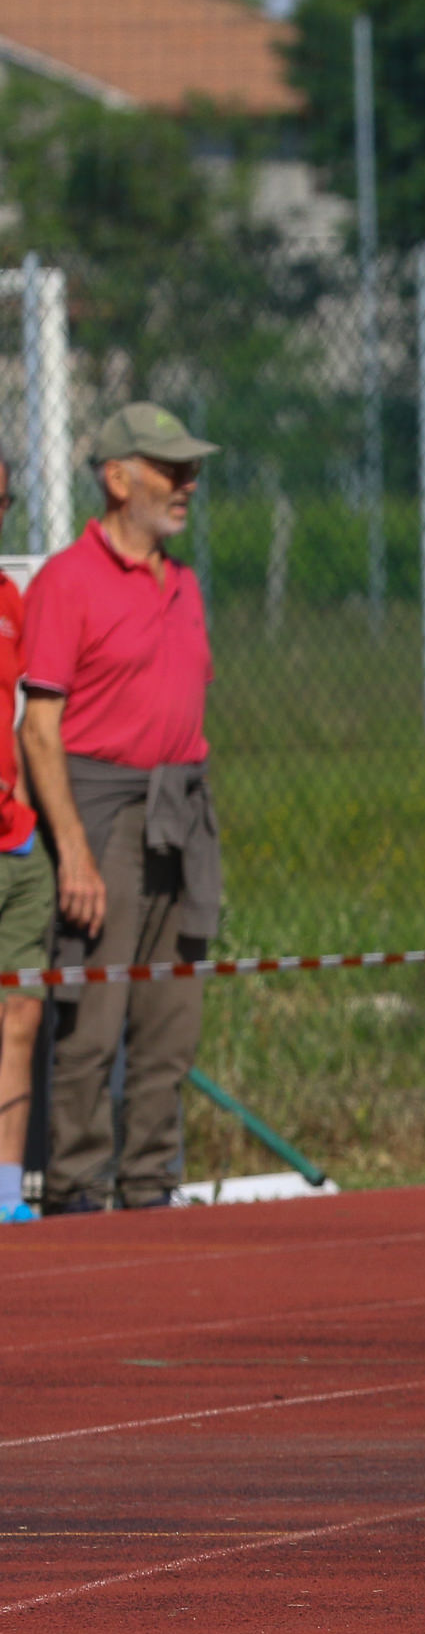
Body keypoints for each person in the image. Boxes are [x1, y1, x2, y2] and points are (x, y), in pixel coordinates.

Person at [21, 404, 222, 1215]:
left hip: (182, 808)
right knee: (92, 1020)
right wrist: (73, 847)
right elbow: (39, 730)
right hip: (103, 812)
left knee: (171, 1021)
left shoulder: (185, 583)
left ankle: (151, 1187)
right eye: (171, 469)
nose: (188, 484)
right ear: (117, 478)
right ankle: (77, 1191)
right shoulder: (68, 581)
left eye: (191, 470)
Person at [0, 454, 41, 1222]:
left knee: (22, 1012)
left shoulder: (11, 598)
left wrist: (31, 806)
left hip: (19, 841)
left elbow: (32, 714)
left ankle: (7, 1190)